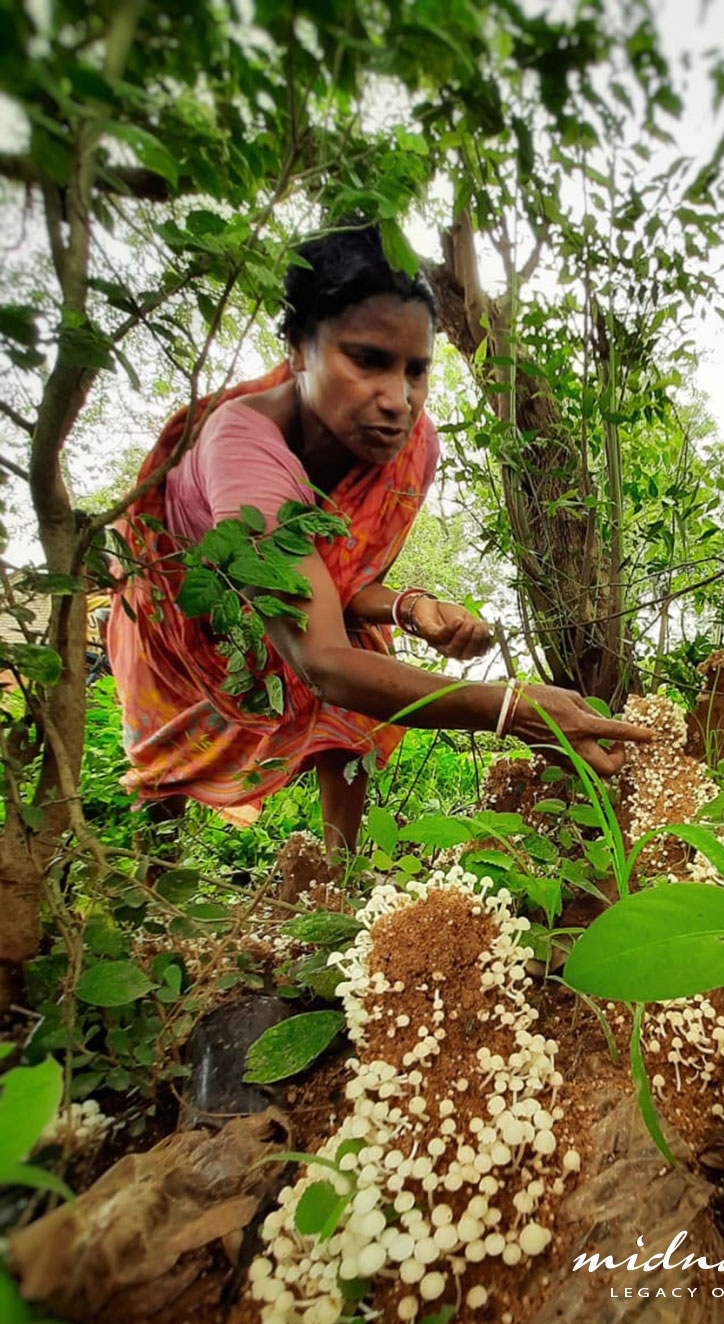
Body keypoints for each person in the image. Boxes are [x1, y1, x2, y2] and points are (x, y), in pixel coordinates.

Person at [108, 222, 651, 853]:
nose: (399, 398)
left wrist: (413, 607)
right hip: (182, 622)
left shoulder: (411, 449)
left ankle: (335, 880)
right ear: (300, 347)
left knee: (366, 672)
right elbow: (324, 662)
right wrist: (510, 708)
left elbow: (343, 587)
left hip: (301, 617)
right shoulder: (240, 447)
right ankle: (152, 887)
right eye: (367, 360)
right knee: (169, 769)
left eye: (416, 370)